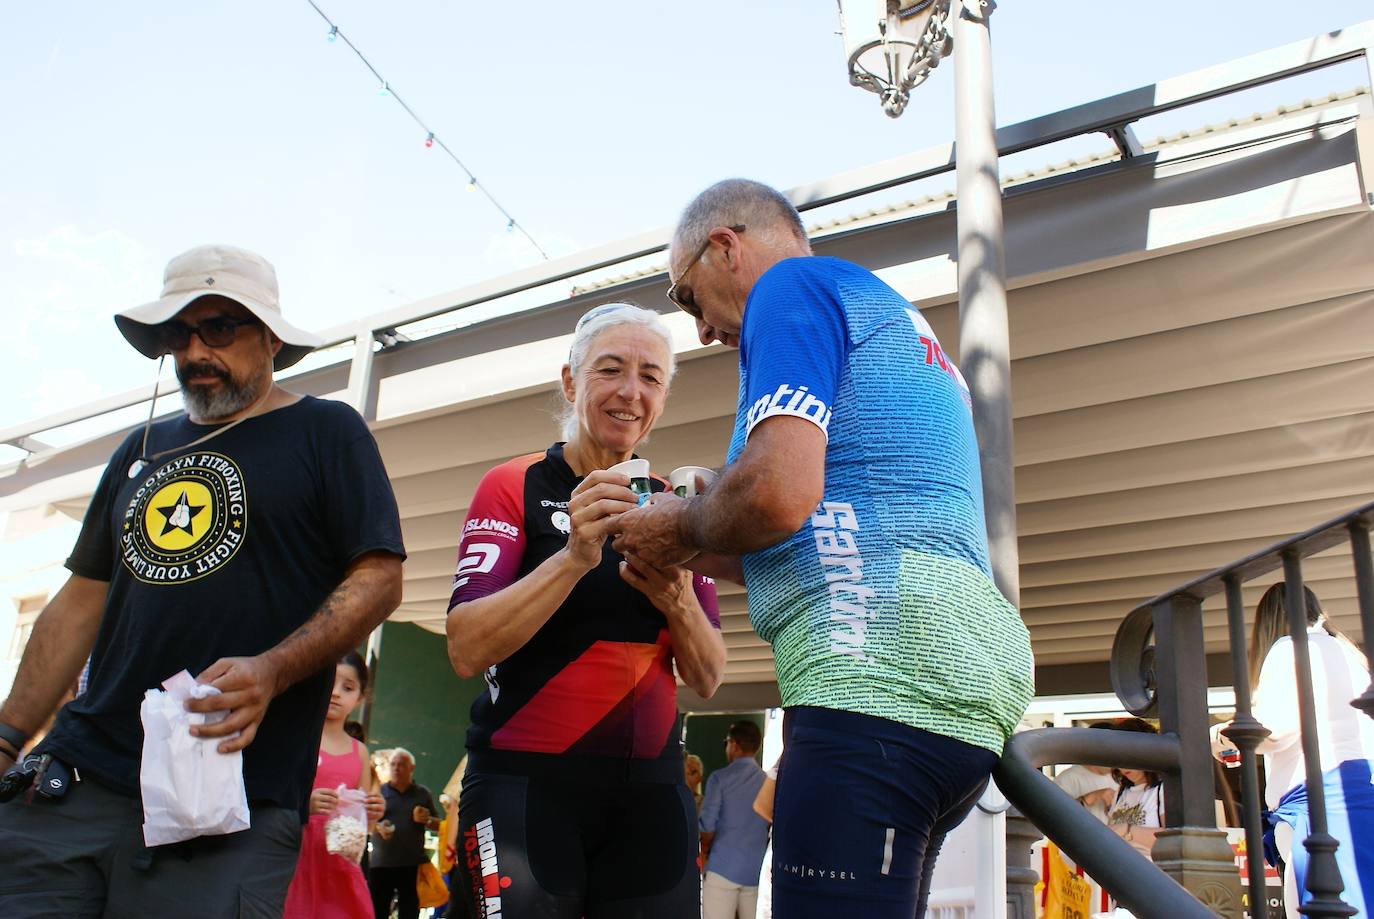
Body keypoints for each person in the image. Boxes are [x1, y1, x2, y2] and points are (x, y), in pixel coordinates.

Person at [613, 178, 1035, 918]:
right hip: (949, 694)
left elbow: (777, 492)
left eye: (686, 298)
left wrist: (679, 524)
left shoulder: (791, 287)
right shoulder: (874, 309)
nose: (704, 331)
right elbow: (795, 523)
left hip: (873, 684)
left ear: (726, 247)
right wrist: (689, 525)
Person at [0, 244, 406, 918]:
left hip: (230, 796)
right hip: (81, 776)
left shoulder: (324, 429)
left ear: (270, 336)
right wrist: (9, 734)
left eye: (218, 327)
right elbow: (79, 601)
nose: (194, 351)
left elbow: (380, 575)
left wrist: (273, 669)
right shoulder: (141, 448)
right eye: (177, 333)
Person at [445, 302, 727, 918]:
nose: (631, 391)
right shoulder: (514, 484)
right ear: (571, 381)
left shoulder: (676, 507)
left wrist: (678, 597)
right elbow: (466, 647)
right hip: (524, 785)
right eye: (610, 369)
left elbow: (707, 678)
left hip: (650, 795)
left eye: (651, 377)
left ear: (663, 398)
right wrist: (573, 556)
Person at [1213, 583, 1374, 918]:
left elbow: (1275, 728)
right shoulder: (1347, 653)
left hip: (1318, 809)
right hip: (1359, 799)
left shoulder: (1290, 648)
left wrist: (1224, 735)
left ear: (1269, 621)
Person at [284, 651, 385, 919]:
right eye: (331, 682)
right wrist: (306, 804)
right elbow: (274, 798)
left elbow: (363, 827)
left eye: (347, 687)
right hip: (294, 855)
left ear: (360, 697)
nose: (336, 693)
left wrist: (371, 812)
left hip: (338, 864)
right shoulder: (298, 739)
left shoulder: (360, 752)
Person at [699, 721, 770, 919]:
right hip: (755, 871)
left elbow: (707, 828)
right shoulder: (767, 781)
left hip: (722, 868)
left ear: (735, 745)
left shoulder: (719, 778)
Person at [368, 748, 441, 919]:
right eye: (393, 764)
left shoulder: (422, 793)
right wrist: (378, 827)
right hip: (381, 864)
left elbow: (439, 825)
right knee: (377, 912)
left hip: (411, 865)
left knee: (409, 912)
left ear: (412, 768)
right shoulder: (378, 792)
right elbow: (366, 822)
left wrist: (427, 819)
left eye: (401, 764)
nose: (396, 768)